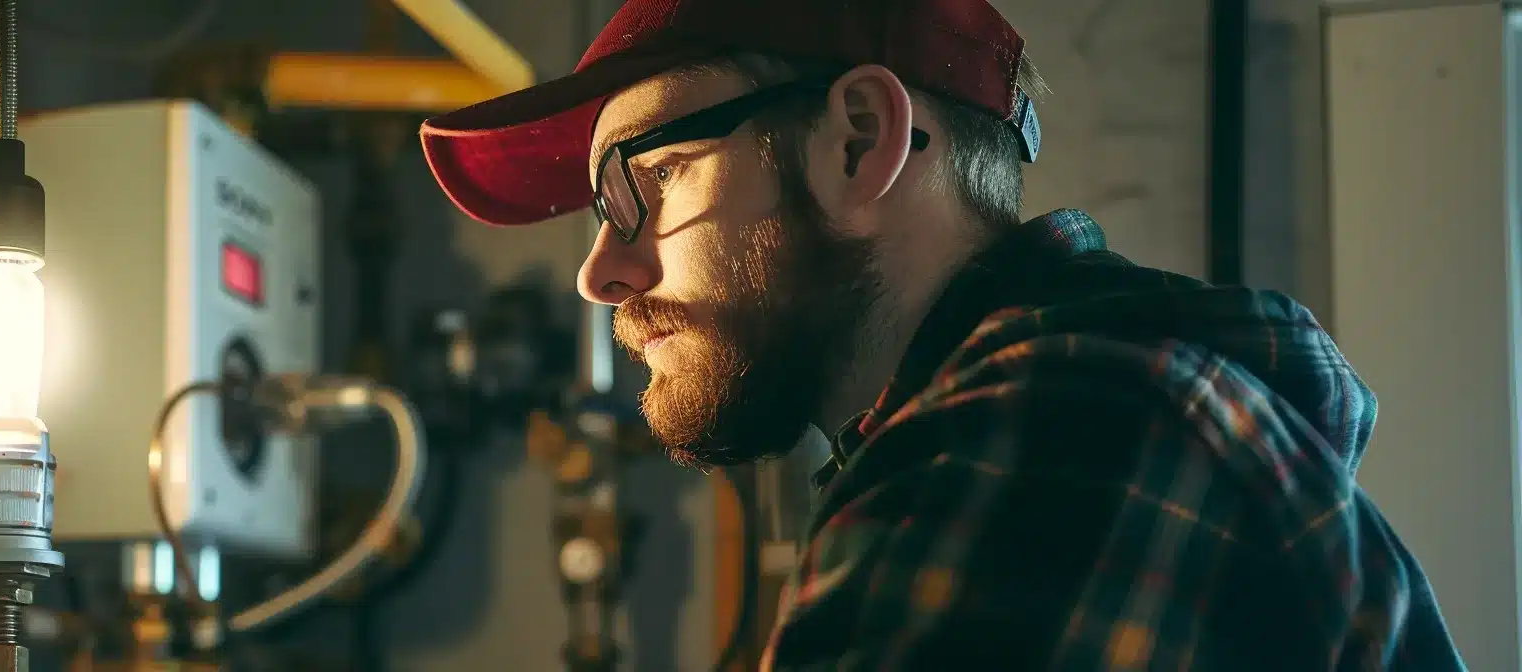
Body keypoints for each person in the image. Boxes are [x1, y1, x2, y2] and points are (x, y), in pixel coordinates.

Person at [420, 0, 1464, 668]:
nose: (598, 271)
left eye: (639, 183)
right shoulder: (1083, 416)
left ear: (859, 139)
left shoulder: (1064, 430)